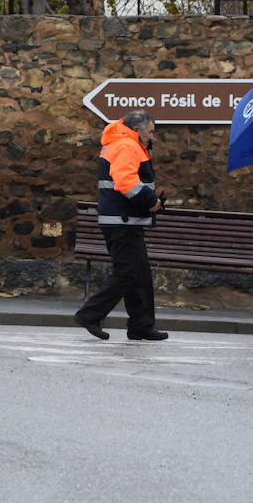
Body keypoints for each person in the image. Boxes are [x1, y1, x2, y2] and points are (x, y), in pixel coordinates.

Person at [73, 110, 168, 341]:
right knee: (127, 273)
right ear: (137, 130)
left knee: (140, 274)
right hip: (121, 221)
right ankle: (90, 314)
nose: (153, 137)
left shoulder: (124, 143)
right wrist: (151, 202)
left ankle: (141, 326)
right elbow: (125, 181)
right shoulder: (127, 145)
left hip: (123, 220)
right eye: (151, 132)